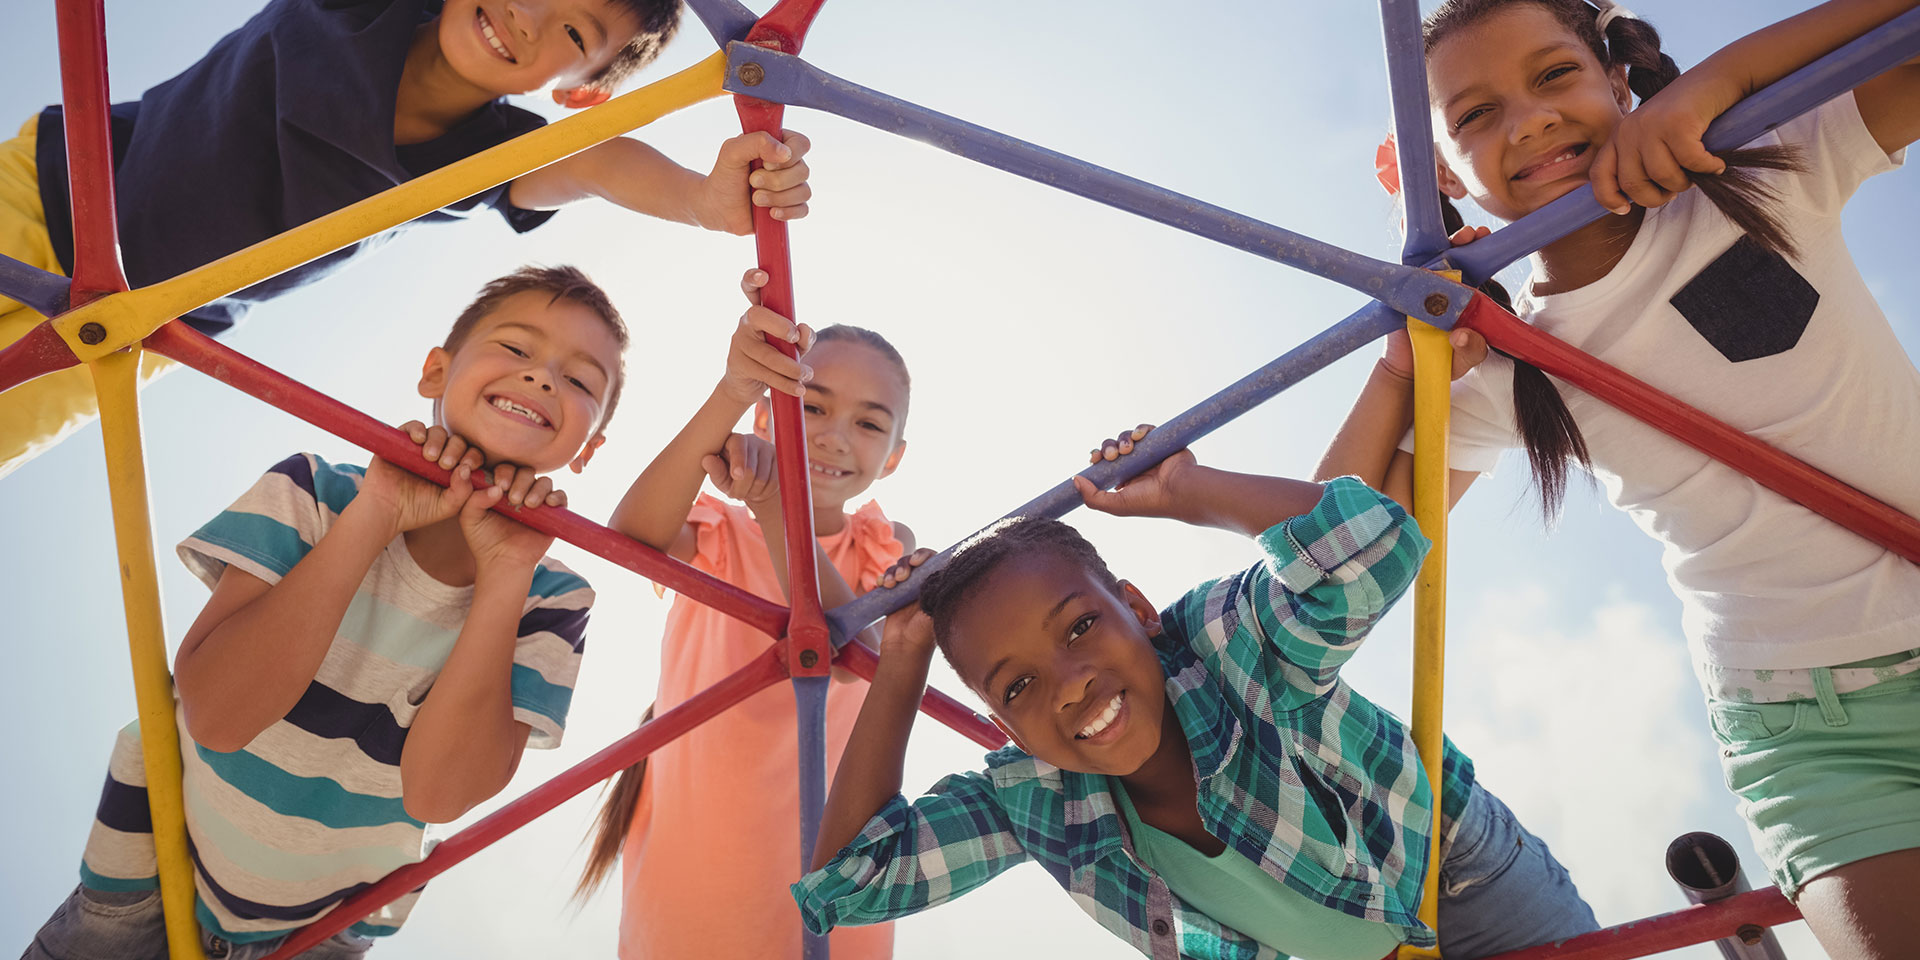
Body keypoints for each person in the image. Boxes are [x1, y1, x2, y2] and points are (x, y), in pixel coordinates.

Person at [1318, 1, 1920, 955]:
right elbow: (1337, 554)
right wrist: (1402, 358)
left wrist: (1720, 83)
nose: (1528, 120)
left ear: (1616, 77)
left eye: (1555, 76)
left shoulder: (1759, 170)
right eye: (1475, 116)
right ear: (1441, 177)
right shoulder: (1502, 367)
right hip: (1805, 723)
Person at [791, 426, 1599, 959]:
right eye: (1022, 685)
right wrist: (902, 660)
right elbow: (848, 882)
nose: (1071, 686)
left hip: (1458, 877)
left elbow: (1378, 545)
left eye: (1079, 628)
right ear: (1004, 726)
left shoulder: (1222, 644)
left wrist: (1189, 490)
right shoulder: (1032, 796)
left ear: (1138, 610)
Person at [20, 265, 626, 959]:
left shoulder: (551, 596)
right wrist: (375, 513)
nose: (544, 378)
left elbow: (439, 794)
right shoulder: (316, 490)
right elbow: (217, 713)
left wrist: (507, 572)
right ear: (434, 371)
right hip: (147, 871)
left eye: (580, 382)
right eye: (516, 348)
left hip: (318, 933)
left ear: (591, 447)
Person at [0, 0, 813, 477]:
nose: (527, 18)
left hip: (130, 336)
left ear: (582, 91)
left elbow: (598, 164)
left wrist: (707, 202)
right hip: (48, 191)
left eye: (574, 34)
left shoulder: (482, 157)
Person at [576, 268, 914, 960]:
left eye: (869, 423)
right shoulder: (722, 529)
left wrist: (774, 507)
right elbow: (630, 539)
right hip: (701, 863)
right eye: (811, 408)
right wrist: (731, 392)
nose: (833, 436)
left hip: (835, 869)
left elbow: (857, 656)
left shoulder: (884, 543)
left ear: (894, 457)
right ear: (767, 415)